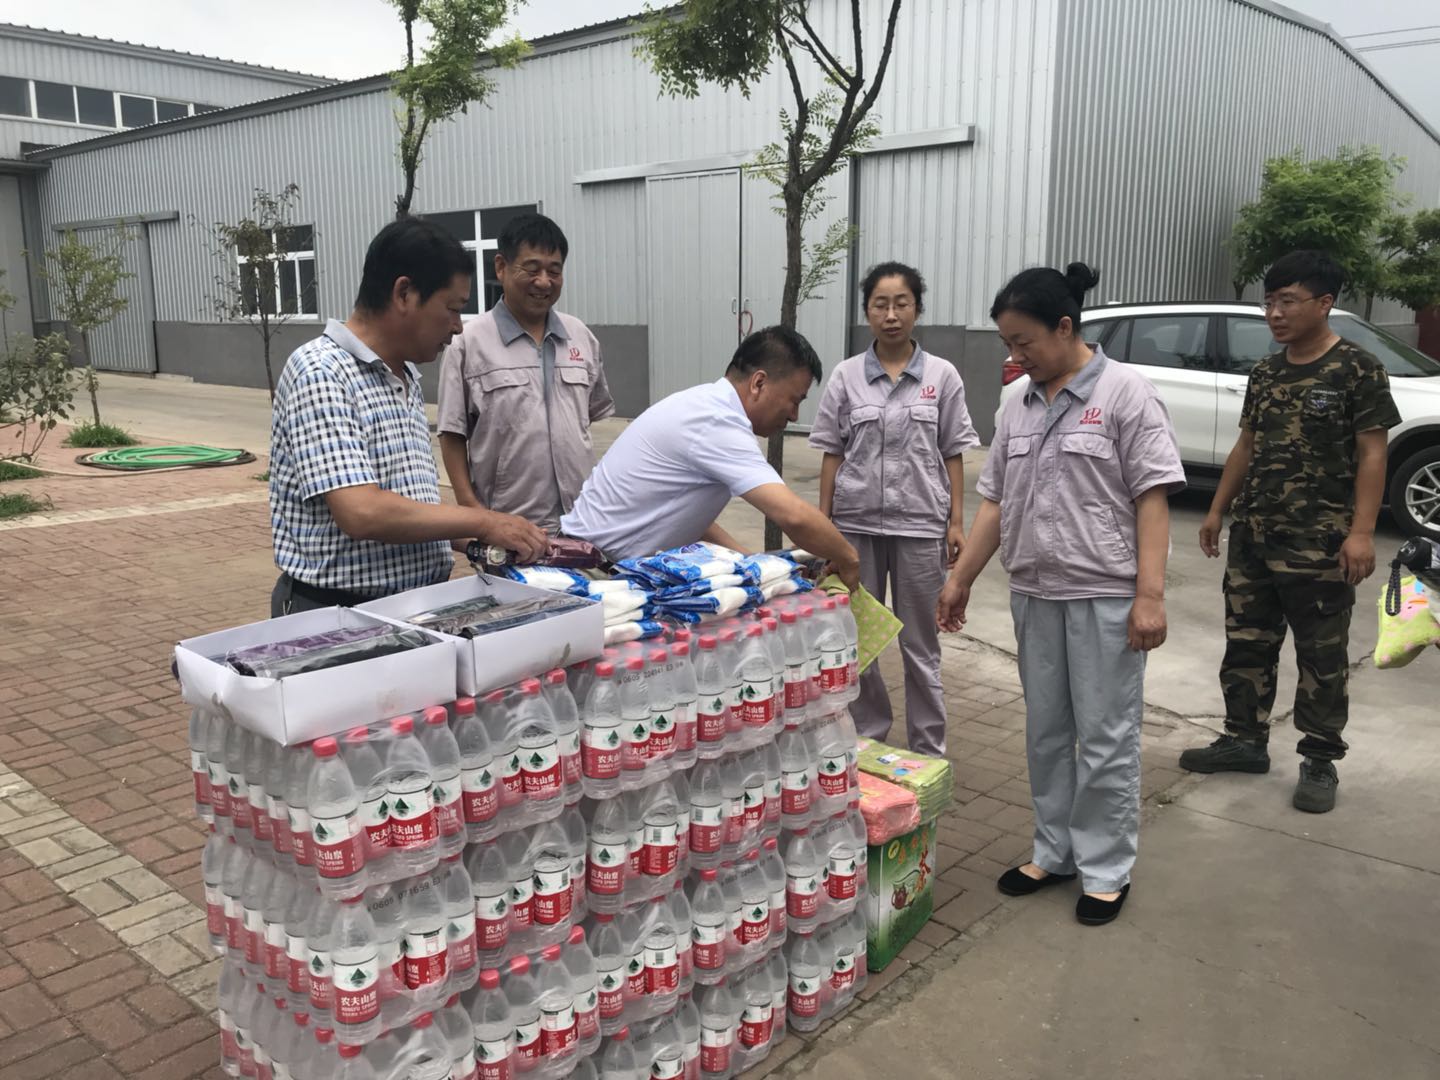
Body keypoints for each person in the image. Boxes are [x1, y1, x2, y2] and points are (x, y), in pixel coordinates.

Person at [936, 263, 1184, 927]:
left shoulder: (1127, 394)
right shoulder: (1017, 403)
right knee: (1046, 732)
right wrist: (961, 580)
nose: (1015, 356)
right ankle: (1054, 851)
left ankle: (1105, 869)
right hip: (1036, 592)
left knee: (1105, 737)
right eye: (1007, 344)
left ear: (1065, 327)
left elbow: (1152, 499)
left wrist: (1150, 596)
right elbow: (996, 501)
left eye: (1025, 342)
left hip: (1105, 595)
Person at [1179, 250, 1400, 814]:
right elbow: (1246, 444)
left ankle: (1320, 758)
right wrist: (1217, 510)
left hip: (1320, 542)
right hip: (1255, 535)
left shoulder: (1358, 369)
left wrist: (1361, 532)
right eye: (1269, 302)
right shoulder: (1266, 371)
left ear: (1324, 303)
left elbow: (1374, 455)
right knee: (1247, 642)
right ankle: (1244, 740)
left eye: (1288, 301)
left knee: (1321, 654)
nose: (1274, 313)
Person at [268, 217, 548, 617]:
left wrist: (490, 538)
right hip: (340, 616)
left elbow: (410, 508)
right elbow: (363, 512)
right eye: (452, 309)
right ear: (404, 293)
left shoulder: (404, 376)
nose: (457, 327)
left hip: (412, 606)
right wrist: (484, 521)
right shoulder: (322, 371)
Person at [809, 262, 979, 757]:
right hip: (855, 526)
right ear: (866, 312)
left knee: (920, 646)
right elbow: (831, 452)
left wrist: (956, 522)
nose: (890, 315)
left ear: (917, 309)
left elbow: (953, 451)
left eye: (901, 303)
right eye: (880, 305)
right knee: (860, 642)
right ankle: (867, 741)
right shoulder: (846, 376)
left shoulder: (942, 376)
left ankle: (928, 751)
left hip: (921, 527)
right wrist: (823, 526)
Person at [561, 326, 862, 591]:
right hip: (590, 574)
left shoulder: (705, 405)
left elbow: (688, 516)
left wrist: (750, 561)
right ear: (758, 383)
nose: (794, 415)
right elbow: (793, 515)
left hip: (598, 565)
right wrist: (848, 558)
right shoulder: (716, 421)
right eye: (794, 400)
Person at [437, 212, 614, 536]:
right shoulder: (468, 343)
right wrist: (473, 512)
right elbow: (452, 434)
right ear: (501, 267)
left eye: (554, 271)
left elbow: (584, 419)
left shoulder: (580, 336)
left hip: (583, 523)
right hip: (509, 528)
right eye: (532, 269)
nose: (544, 282)